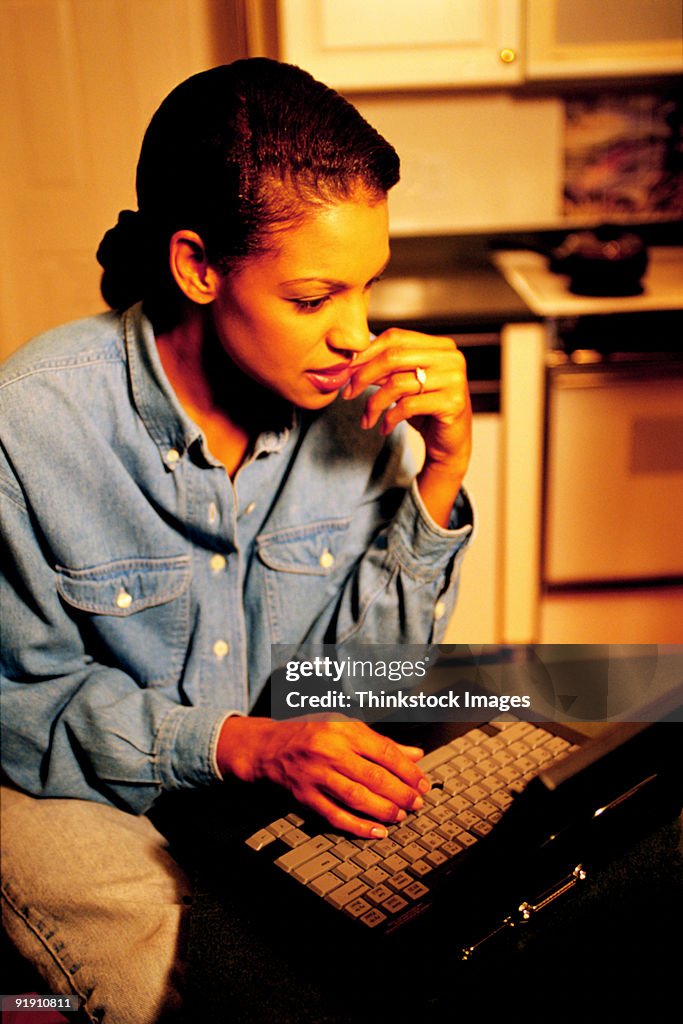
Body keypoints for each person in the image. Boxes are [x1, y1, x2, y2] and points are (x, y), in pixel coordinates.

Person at [0, 58, 473, 1022]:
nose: (358, 335)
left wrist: (443, 473)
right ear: (197, 266)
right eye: (313, 299)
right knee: (209, 988)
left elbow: (366, 684)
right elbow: (17, 703)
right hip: (82, 793)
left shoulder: (360, 412)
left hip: (274, 791)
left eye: (367, 288)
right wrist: (236, 746)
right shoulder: (29, 425)